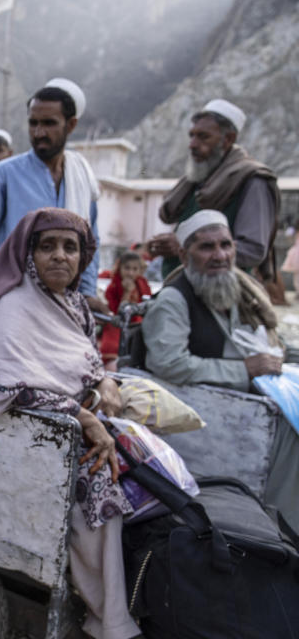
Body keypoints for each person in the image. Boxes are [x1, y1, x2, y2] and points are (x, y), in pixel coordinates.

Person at [0, 207, 141, 639]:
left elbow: (88, 364)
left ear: (83, 257)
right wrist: (81, 416)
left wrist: (106, 383)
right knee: (101, 483)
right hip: (25, 437)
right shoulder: (11, 307)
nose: (60, 256)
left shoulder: (77, 306)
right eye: (47, 246)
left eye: (70, 247)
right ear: (28, 254)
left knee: (144, 464)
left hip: (74, 425)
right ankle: (109, 619)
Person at [141, 209, 298, 529]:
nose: (220, 256)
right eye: (206, 247)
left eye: (226, 245)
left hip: (255, 398)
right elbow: (168, 363)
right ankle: (286, 526)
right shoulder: (174, 300)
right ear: (184, 255)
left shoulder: (236, 289)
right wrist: (243, 370)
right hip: (222, 412)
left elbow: (265, 342)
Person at [0, 78, 106, 325]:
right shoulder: (3, 174)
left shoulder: (83, 176)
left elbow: (90, 242)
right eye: (33, 123)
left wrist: (86, 293)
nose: (39, 132)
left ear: (71, 124)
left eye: (49, 123)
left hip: (64, 308)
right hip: (11, 307)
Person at [148, 99, 280, 284]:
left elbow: (253, 250)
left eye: (203, 136)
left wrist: (185, 247)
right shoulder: (197, 178)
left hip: (224, 295)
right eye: (192, 136)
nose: (192, 144)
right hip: (183, 289)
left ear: (228, 139)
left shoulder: (252, 181)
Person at [99, 251, 152, 369]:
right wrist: (127, 292)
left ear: (140, 270)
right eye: (127, 268)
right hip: (118, 325)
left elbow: (147, 304)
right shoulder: (113, 287)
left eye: (135, 269)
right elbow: (117, 312)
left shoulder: (142, 284)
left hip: (138, 323)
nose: (130, 273)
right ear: (120, 268)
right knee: (113, 347)